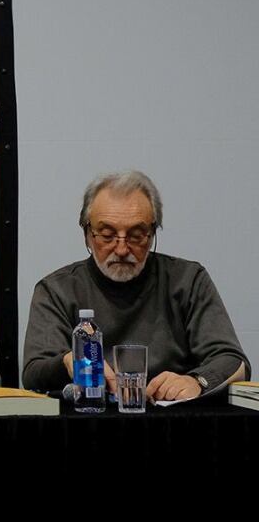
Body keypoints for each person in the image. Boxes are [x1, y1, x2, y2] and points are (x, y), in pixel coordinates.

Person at [22, 170, 250, 399]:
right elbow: (33, 373)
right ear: (88, 235)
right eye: (108, 235)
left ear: (152, 234)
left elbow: (233, 360)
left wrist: (198, 381)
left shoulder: (187, 280)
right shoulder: (57, 290)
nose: (121, 249)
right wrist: (68, 362)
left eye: (136, 235)